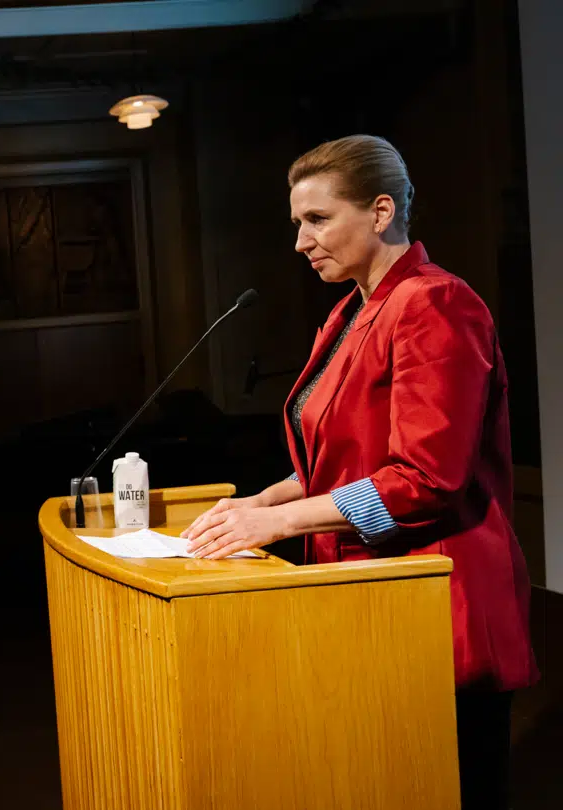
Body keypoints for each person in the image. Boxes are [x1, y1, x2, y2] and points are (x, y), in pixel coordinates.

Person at [180, 135, 536, 810]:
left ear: (379, 213)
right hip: (369, 600)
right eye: (297, 224)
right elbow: (336, 462)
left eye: (317, 220)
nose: (300, 242)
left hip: (436, 601)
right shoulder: (351, 312)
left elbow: (428, 479)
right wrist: (255, 503)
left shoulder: (435, 305)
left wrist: (279, 520)